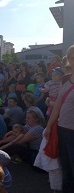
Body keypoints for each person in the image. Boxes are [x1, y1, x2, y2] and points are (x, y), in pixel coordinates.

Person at [45, 45, 74, 192]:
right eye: (70, 57)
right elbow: (57, 106)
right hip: (62, 129)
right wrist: (49, 126)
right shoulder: (65, 79)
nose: (72, 60)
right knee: (66, 168)